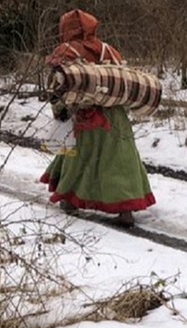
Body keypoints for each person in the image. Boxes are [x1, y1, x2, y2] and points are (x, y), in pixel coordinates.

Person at [41, 9, 154, 227]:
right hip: (115, 115)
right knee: (120, 160)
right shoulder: (108, 49)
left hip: (82, 114)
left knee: (78, 158)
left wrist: (59, 111)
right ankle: (125, 210)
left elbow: (57, 84)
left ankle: (70, 199)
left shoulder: (66, 50)